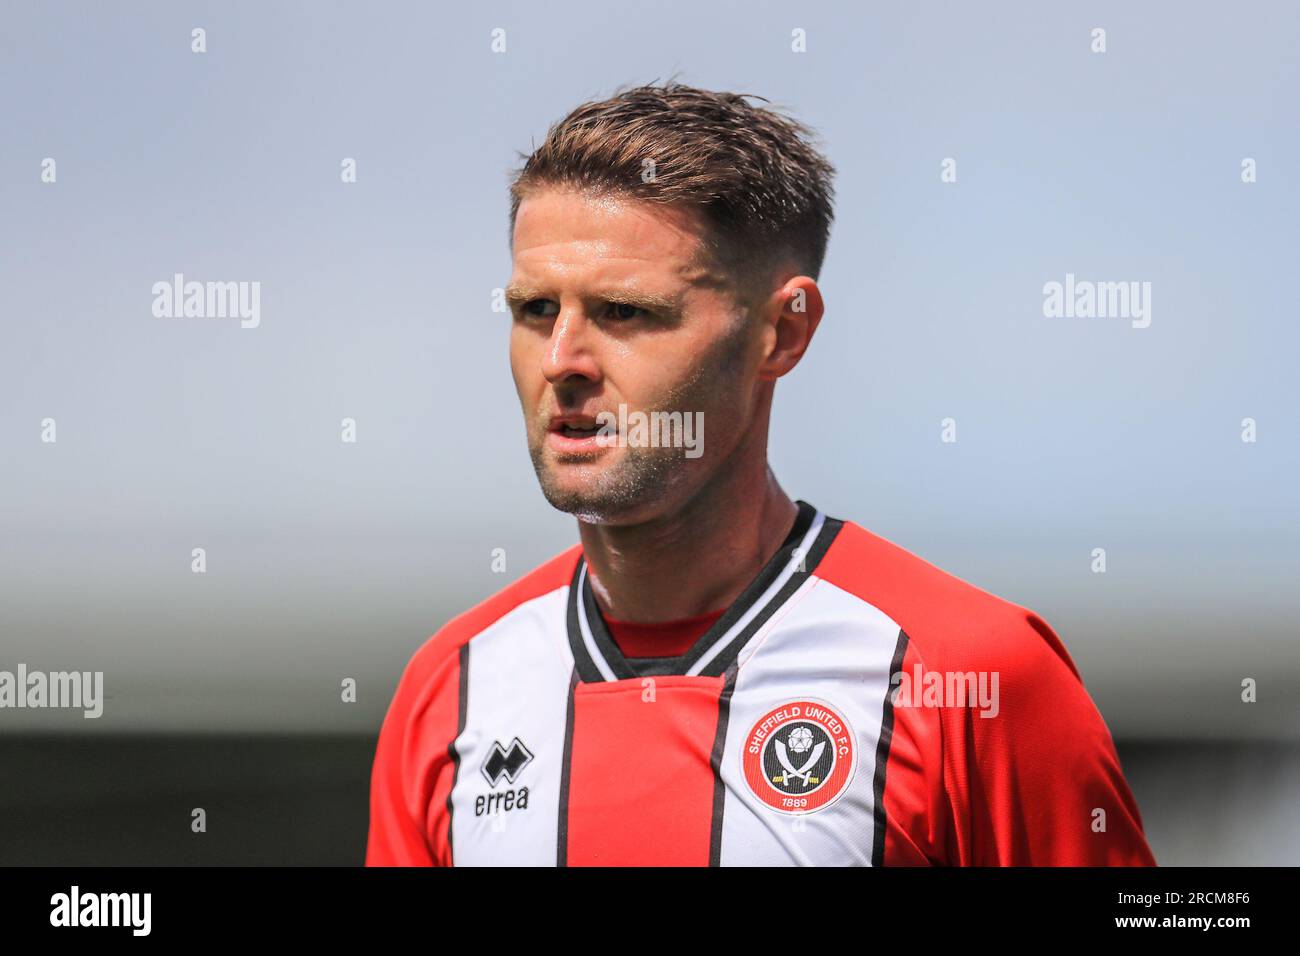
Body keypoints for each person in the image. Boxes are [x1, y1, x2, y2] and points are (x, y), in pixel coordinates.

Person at [365, 82, 1156, 866]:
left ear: (782, 332)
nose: (562, 361)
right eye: (536, 309)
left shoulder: (970, 676)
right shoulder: (452, 689)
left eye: (626, 313)